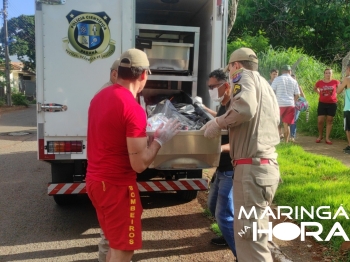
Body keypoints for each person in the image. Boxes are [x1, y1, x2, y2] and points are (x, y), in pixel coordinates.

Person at [86, 48, 180, 262]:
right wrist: (159, 140)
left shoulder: (99, 97)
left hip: (96, 181)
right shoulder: (132, 107)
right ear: (144, 75)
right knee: (124, 250)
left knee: (114, 243)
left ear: (117, 72)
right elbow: (139, 164)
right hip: (116, 187)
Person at [201, 47, 281, 262]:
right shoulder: (265, 85)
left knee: (250, 243)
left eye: (230, 68)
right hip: (264, 167)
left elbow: (244, 110)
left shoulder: (242, 76)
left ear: (235, 66)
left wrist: (218, 122)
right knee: (255, 237)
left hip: (251, 169)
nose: (230, 72)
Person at [201, 69, 237, 259]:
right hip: (220, 169)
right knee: (212, 205)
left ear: (226, 86)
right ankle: (226, 235)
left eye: (213, 87)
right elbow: (220, 120)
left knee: (223, 215)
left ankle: (242, 255)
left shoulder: (235, 107)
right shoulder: (224, 106)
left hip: (230, 169)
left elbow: (240, 141)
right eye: (209, 87)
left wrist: (219, 149)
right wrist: (206, 111)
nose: (211, 90)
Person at [95, 57, 119, 262]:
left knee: (108, 230)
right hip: (110, 175)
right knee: (111, 235)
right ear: (114, 74)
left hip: (101, 172)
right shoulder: (111, 96)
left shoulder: (104, 94)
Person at [271, 65, 300, 143]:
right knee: (286, 124)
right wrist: (293, 101)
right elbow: (297, 94)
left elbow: (271, 91)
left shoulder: (277, 79)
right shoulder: (294, 81)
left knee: (276, 122)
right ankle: (286, 142)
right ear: (290, 72)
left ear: (282, 71)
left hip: (279, 104)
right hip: (290, 104)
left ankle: (276, 139)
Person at [314, 68, 340, 144]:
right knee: (320, 121)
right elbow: (315, 88)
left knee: (329, 120)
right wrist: (319, 93)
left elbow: (339, 89)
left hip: (332, 103)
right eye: (326, 73)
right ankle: (320, 136)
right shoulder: (320, 82)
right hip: (322, 103)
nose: (328, 74)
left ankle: (327, 138)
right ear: (324, 74)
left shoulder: (335, 82)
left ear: (332, 74)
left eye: (329, 73)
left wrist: (336, 94)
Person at [336, 63, 350, 153]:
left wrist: (342, 82)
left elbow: (338, 91)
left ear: (348, 69)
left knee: (348, 128)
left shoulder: (347, 79)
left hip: (348, 108)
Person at [290, 74, 306, 142]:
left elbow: (303, 97)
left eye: (294, 78)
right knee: (288, 121)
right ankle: (288, 136)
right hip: (288, 105)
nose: (293, 80)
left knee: (294, 120)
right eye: (292, 79)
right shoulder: (287, 87)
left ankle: (292, 136)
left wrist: (300, 89)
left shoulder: (298, 87)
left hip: (296, 106)